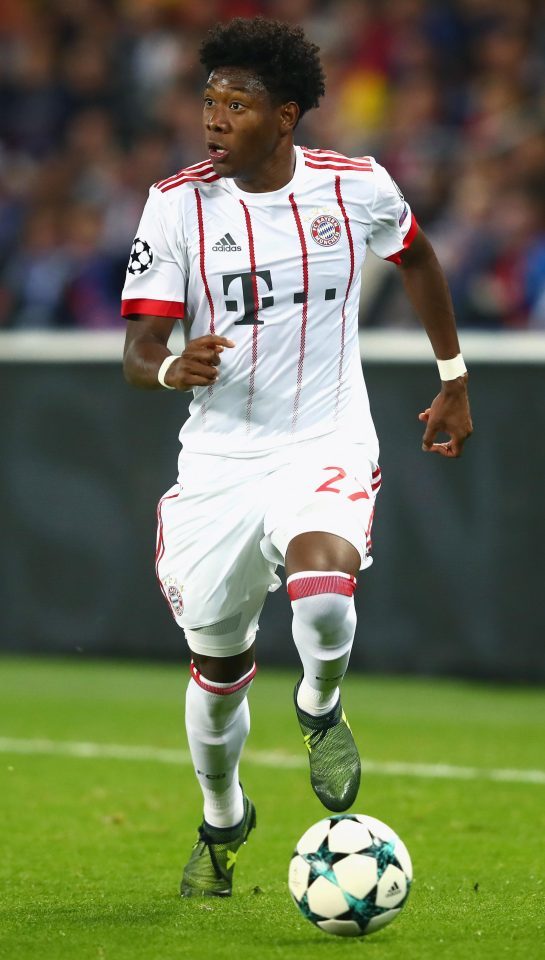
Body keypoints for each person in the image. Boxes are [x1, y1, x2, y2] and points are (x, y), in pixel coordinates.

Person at [121, 17, 472, 898]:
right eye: (209, 101)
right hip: (219, 463)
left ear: (284, 116)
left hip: (324, 437)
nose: (214, 118)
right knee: (219, 669)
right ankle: (223, 813)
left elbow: (418, 259)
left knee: (322, 587)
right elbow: (138, 352)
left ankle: (318, 704)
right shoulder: (175, 205)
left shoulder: (355, 186)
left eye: (236, 105)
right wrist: (169, 367)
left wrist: (453, 377)